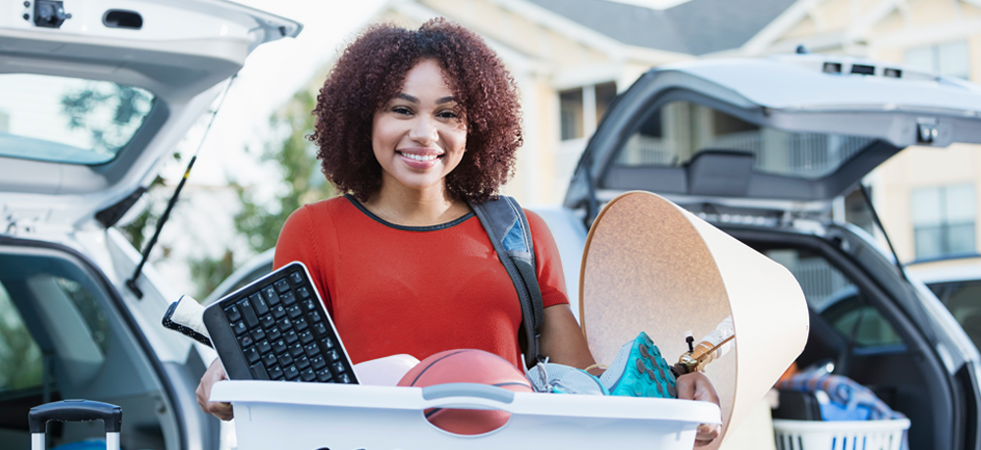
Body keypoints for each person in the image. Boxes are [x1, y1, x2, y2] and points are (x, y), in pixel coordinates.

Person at [196, 18, 720, 446]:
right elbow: (292, 374)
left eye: (448, 114)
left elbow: (588, 387)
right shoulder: (313, 231)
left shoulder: (522, 232)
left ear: (478, 127)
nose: (425, 133)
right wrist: (235, 366)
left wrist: (673, 388)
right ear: (363, 120)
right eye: (402, 109)